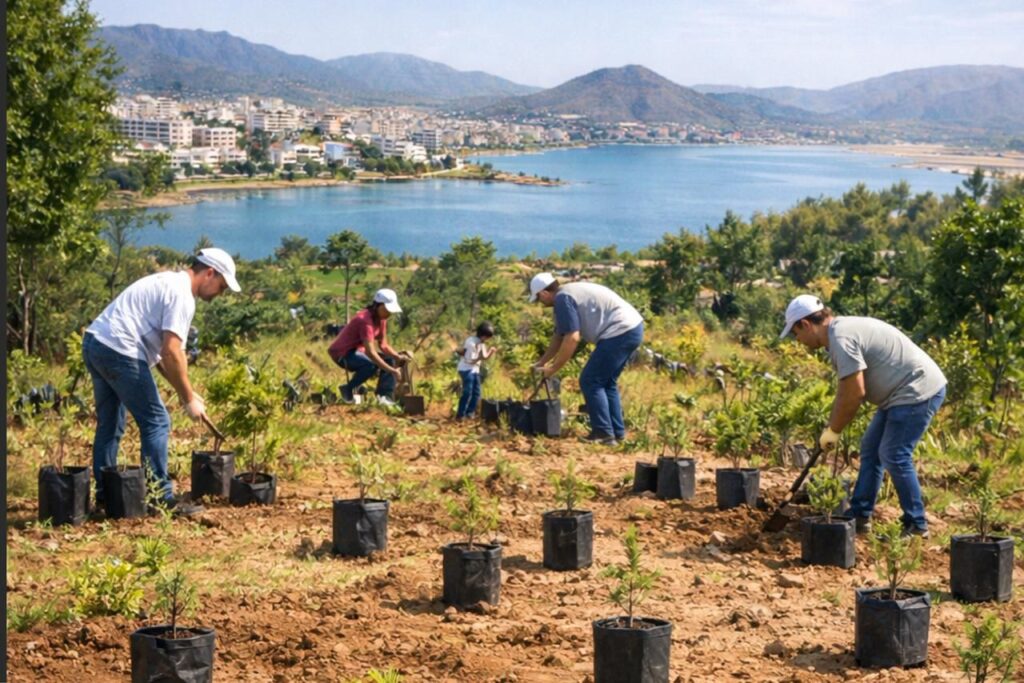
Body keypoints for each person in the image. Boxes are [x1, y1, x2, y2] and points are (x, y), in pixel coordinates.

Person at [83, 248, 241, 516]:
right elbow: (172, 352)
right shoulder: (182, 296)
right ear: (209, 273)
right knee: (157, 421)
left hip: (96, 343)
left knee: (111, 424)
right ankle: (161, 497)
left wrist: (186, 392)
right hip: (119, 349)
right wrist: (188, 398)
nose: (220, 293)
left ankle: (105, 497)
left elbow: (161, 358)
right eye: (222, 286)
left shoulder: (168, 282)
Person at [780, 294, 947, 537]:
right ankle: (859, 515)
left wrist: (834, 431)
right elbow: (845, 390)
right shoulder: (839, 333)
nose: (798, 340)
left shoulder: (841, 338)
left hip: (916, 389)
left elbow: (854, 393)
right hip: (898, 394)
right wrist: (831, 426)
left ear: (805, 324)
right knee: (871, 449)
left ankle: (916, 524)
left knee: (894, 454)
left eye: (796, 333)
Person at [529, 273, 644, 446]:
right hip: (632, 328)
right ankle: (617, 432)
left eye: (538, 298)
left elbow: (572, 337)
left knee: (590, 381)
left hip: (620, 330)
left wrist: (554, 368)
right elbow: (559, 337)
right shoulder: (566, 294)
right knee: (606, 383)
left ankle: (603, 433)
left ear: (544, 293)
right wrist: (542, 362)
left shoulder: (563, 299)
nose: (540, 303)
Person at [328, 288, 407, 406]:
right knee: (371, 365)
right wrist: (392, 371)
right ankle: (348, 388)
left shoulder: (382, 319)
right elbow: (371, 352)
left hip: (358, 351)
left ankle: (384, 396)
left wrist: (397, 357)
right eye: (387, 309)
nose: (389, 313)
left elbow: (383, 345)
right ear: (378, 305)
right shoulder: (365, 320)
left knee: (389, 360)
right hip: (342, 353)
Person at [456, 321, 498, 419]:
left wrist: (491, 351)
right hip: (466, 369)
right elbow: (470, 360)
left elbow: (485, 356)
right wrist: (480, 358)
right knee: (467, 392)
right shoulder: (471, 342)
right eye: (487, 337)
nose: (487, 339)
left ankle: (469, 413)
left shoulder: (481, 343)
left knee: (476, 393)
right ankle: (460, 414)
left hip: (475, 370)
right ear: (483, 335)